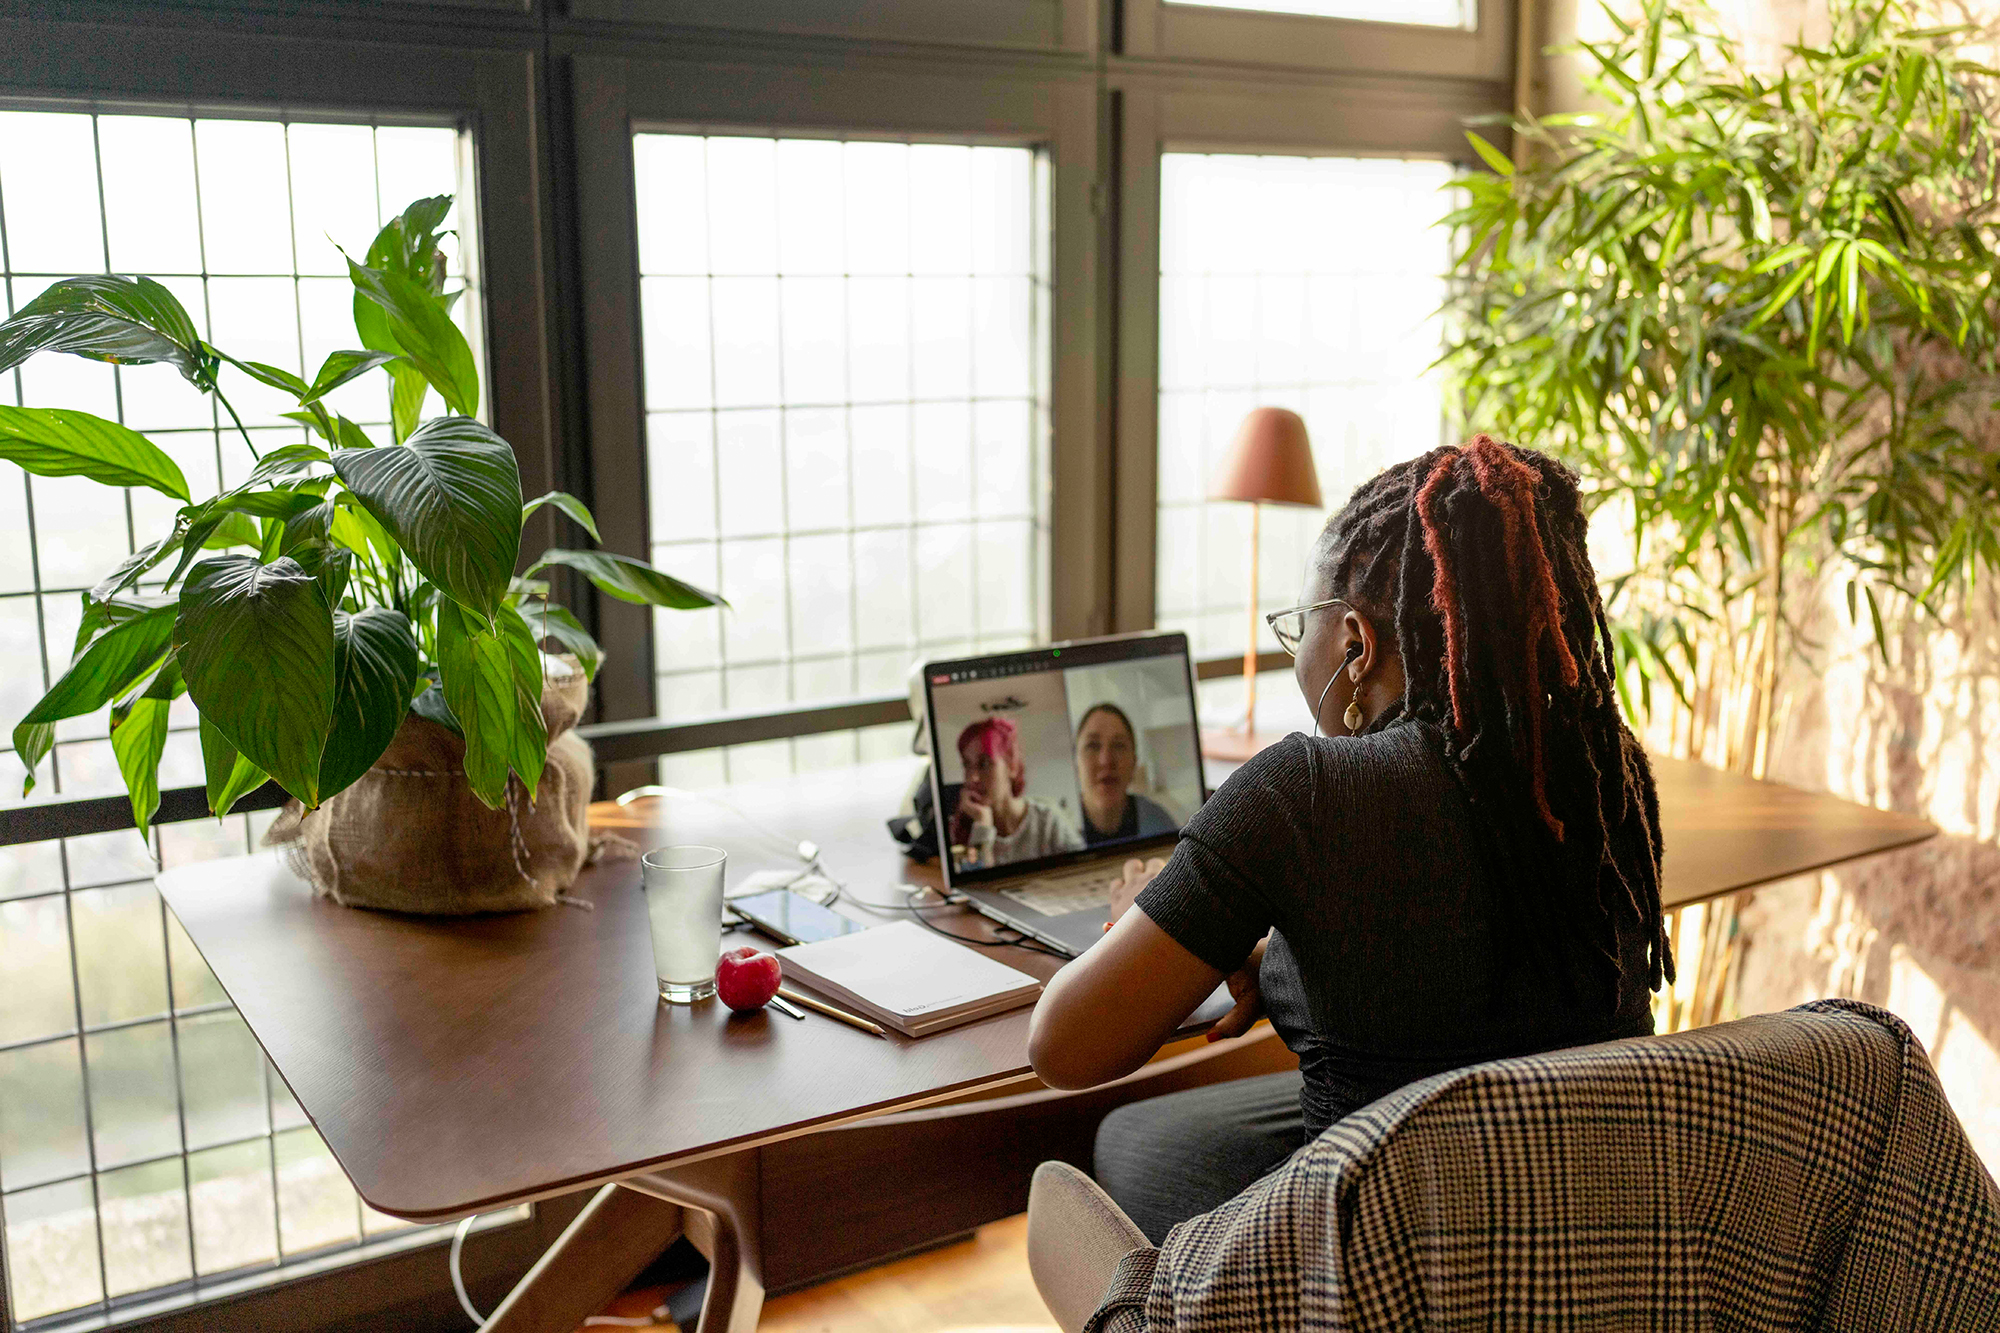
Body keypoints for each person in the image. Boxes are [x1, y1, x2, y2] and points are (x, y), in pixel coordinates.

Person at [1027, 435, 1672, 1244]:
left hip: (1376, 1263)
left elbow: (1062, 1046)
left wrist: (1140, 914)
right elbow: (1463, 963)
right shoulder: (1597, 773)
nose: (1298, 656)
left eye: (1303, 630)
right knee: (1155, 1136)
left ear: (1358, 646)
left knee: (1117, 1150)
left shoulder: (1302, 794)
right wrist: (1288, 961)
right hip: (1584, 1225)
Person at [950, 716, 1084, 870]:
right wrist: (982, 827)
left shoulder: (1047, 822)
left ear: (1012, 766)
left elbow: (1085, 870)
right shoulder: (966, 827)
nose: (973, 777)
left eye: (984, 763)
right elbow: (973, 883)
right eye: (967, 765)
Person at [1073, 703, 1178, 846]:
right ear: (1076, 762)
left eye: (1119, 745)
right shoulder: (1054, 833)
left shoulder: (1161, 824)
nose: (1106, 760)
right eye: (1093, 745)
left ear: (1134, 762)